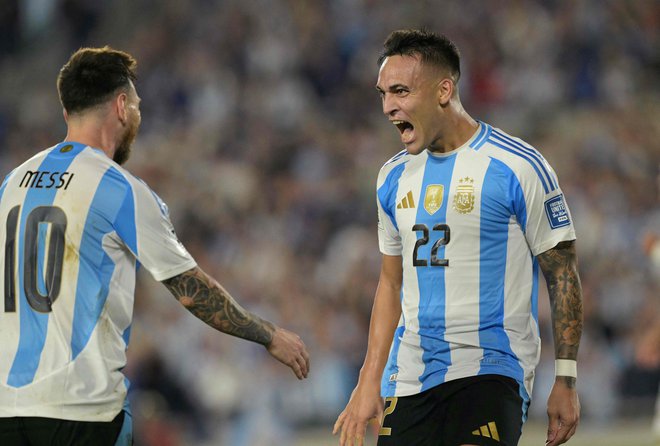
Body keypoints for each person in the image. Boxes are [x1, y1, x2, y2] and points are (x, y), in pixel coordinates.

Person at [0, 46, 310, 446]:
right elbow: (188, 290)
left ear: (67, 114)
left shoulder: (11, 184)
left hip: (8, 410)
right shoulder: (117, 187)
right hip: (80, 412)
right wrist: (269, 335)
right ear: (121, 105)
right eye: (138, 106)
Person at [333, 29, 582, 446]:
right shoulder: (392, 176)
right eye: (382, 94)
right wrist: (368, 379)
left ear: (443, 90)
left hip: (492, 368)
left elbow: (562, 273)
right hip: (410, 375)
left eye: (400, 91)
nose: (388, 107)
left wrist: (567, 377)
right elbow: (391, 281)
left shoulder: (517, 166)